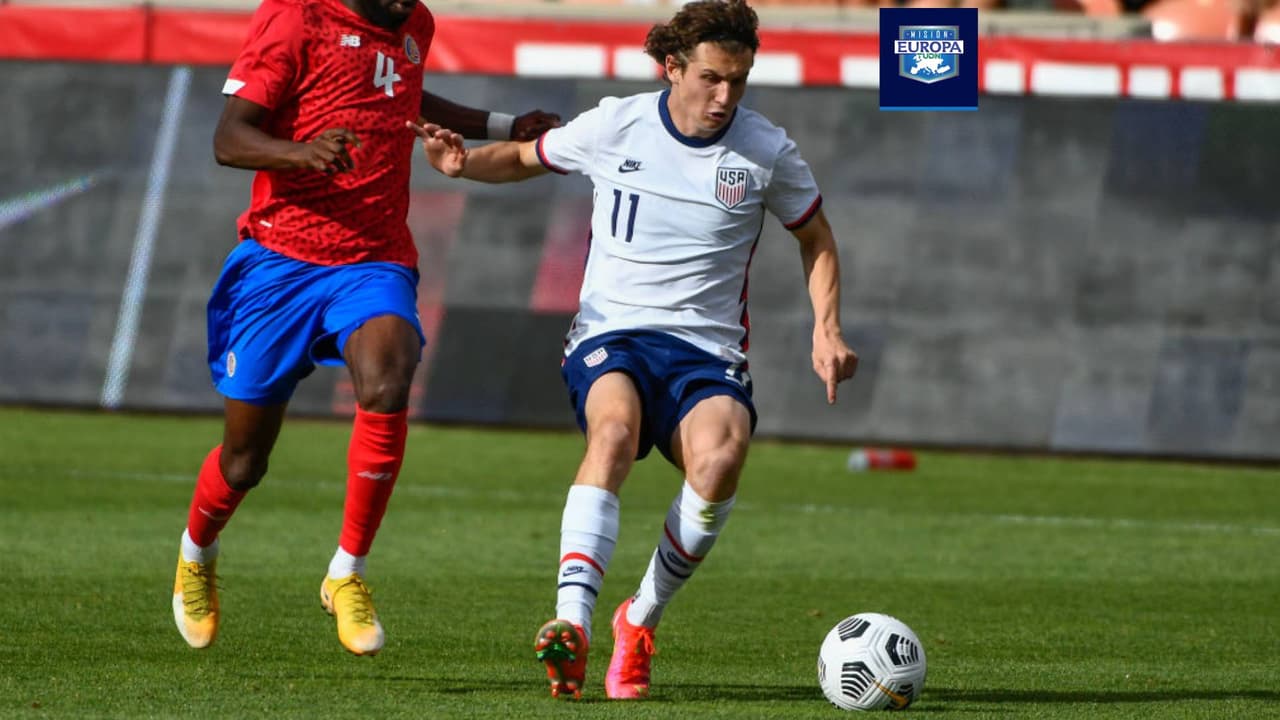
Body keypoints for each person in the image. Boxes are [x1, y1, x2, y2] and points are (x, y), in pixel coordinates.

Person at [409, 0, 858, 698]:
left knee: (721, 458)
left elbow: (816, 237)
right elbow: (526, 157)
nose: (725, 96)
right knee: (614, 432)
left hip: (705, 350)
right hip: (610, 334)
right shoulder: (616, 123)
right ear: (671, 67)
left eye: (738, 81)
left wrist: (825, 328)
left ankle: (639, 618)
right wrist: (462, 164)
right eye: (711, 78)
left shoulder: (766, 151)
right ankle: (572, 626)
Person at [170, 0, 559, 657]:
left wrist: (502, 125)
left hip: (373, 259)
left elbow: (402, 94)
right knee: (245, 460)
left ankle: (347, 572)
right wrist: (302, 153)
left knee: (388, 377)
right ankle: (196, 554)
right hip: (280, 264)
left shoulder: (413, 23)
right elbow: (229, 139)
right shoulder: (296, 19)